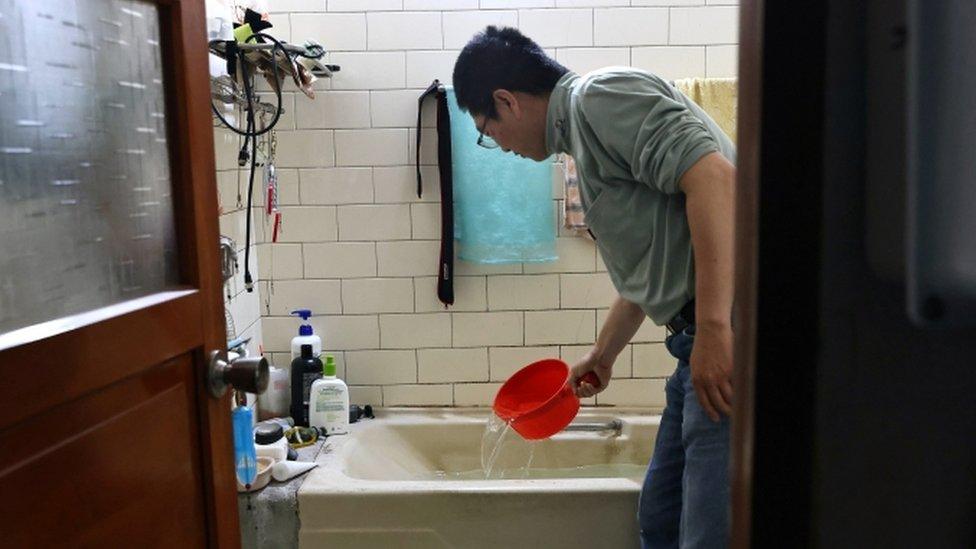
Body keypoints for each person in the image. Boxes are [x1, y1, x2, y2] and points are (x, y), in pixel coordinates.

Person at [452, 26, 736, 548]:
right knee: (662, 519)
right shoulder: (583, 138)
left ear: (505, 101)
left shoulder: (599, 99)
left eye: (485, 132)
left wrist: (718, 328)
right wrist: (602, 355)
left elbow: (715, 179)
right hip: (693, 341)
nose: (498, 146)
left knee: (706, 537)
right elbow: (654, 262)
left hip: (727, 330)